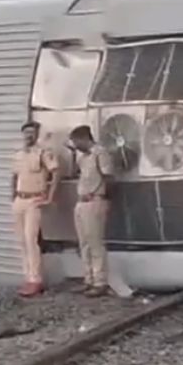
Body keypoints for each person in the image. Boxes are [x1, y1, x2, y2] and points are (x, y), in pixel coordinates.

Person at [11, 121, 59, 297]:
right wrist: (13, 196)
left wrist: (50, 196)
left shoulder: (43, 153)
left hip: (34, 198)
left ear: (37, 134)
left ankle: (35, 279)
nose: (28, 136)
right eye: (26, 133)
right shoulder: (18, 155)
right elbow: (14, 176)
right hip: (20, 198)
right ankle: (27, 276)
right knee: (21, 241)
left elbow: (56, 173)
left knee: (31, 239)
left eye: (32, 133)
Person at [69, 125, 114, 297]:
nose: (75, 145)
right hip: (81, 201)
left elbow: (109, 177)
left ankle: (100, 281)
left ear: (83, 138)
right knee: (84, 243)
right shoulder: (84, 157)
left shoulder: (99, 154)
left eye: (75, 141)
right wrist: (73, 155)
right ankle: (89, 279)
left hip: (95, 200)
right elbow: (74, 173)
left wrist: (106, 199)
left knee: (95, 243)